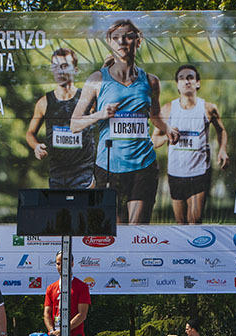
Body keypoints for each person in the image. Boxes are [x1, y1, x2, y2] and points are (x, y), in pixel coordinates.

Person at [70, 18, 178, 224]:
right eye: (116, 38)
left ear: (138, 41)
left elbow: (154, 116)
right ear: (110, 43)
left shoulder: (151, 81)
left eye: (128, 37)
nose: (122, 42)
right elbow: (74, 124)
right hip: (109, 165)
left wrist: (168, 128)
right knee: (115, 233)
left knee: (137, 232)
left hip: (143, 164)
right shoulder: (97, 80)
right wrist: (100, 114)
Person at [152, 64, 229, 224]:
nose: (186, 81)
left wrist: (222, 150)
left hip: (199, 172)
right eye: (182, 78)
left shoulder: (208, 108)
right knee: (181, 223)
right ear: (177, 85)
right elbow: (154, 141)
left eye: (190, 78)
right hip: (176, 172)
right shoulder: (167, 109)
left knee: (195, 221)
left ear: (198, 83)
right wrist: (168, 136)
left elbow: (221, 131)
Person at [25, 48, 96, 189]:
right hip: (57, 176)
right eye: (55, 66)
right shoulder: (44, 102)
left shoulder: (88, 99)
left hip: (84, 175)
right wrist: (36, 146)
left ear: (75, 70)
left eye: (64, 66)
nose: (60, 71)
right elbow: (30, 133)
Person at [43, 250, 91, 336]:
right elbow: (47, 313)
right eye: (58, 264)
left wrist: (62, 331)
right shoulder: (51, 288)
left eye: (64, 263)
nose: (61, 267)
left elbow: (82, 314)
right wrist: (52, 332)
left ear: (72, 264)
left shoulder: (82, 286)